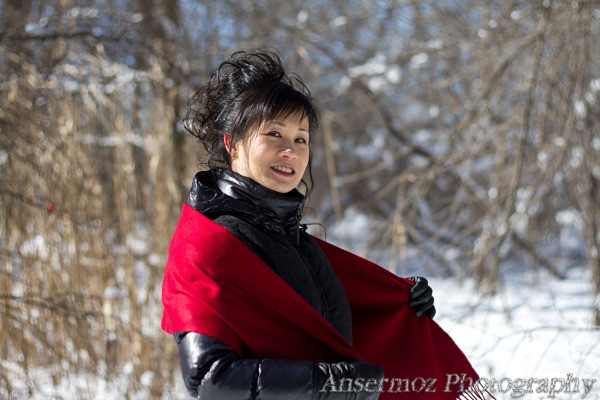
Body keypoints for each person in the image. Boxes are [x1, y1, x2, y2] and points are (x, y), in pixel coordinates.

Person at [161, 50, 479, 400]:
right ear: (232, 143)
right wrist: (330, 384)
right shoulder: (208, 246)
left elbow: (325, 329)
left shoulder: (295, 242)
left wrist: (399, 301)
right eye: (274, 135)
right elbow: (209, 379)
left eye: (301, 139)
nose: (291, 151)